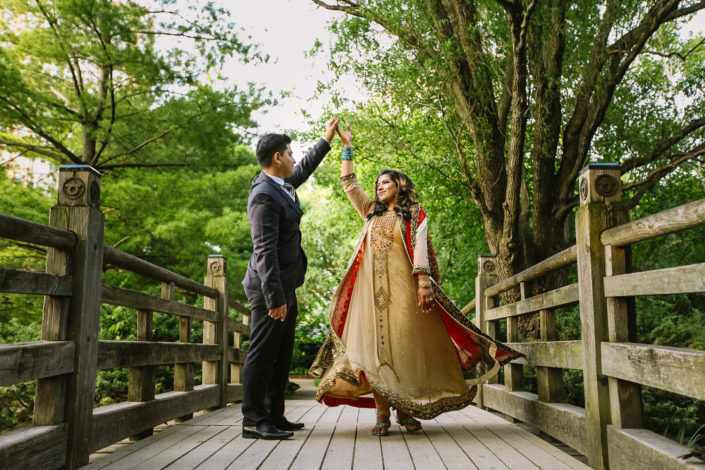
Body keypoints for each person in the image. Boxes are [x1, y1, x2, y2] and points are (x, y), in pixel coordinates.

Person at [310, 124, 523, 436]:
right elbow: (349, 184)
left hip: (405, 299)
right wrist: (347, 147)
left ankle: (405, 411)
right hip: (369, 303)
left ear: (400, 185)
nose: (379, 186)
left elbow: (420, 252)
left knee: (405, 352)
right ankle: (383, 415)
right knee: (375, 356)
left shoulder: (414, 217)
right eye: (377, 183)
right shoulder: (370, 212)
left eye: (385, 182)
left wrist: (424, 284)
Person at [241, 117, 340, 440]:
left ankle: (275, 415)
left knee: (281, 355)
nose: (295, 159)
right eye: (291, 153)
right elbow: (264, 251)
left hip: (286, 286)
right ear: (277, 158)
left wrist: (325, 141)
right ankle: (254, 420)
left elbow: (303, 170)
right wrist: (275, 300)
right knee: (262, 354)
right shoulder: (263, 196)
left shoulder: (279, 185)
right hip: (270, 289)